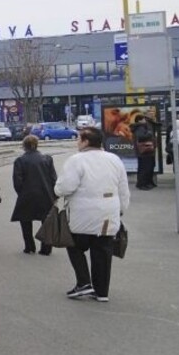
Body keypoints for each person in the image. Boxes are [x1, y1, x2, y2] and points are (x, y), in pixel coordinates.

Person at [54, 127, 131, 302]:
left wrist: (57, 190)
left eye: (79, 139)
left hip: (83, 214)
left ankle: (84, 283)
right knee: (102, 251)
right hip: (108, 214)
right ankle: (102, 292)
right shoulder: (114, 159)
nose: (77, 142)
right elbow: (123, 189)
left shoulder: (76, 160)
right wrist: (121, 210)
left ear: (86, 141)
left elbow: (65, 187)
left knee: (74, 245)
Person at [10, 134, 58, 255]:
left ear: (24, 146)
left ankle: (29, 246)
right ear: (37, 145)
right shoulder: (47, 159)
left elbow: (17, 182)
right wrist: (54, 195)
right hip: (45, 195)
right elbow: (53, 178)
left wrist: (21, 193)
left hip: (27, 195)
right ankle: (46, 248)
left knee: (25, 220)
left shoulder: (20, 161)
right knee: (46, 222)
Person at [132, 115, 157, 190]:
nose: (145, 121)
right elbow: (141, 136)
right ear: (139, 120)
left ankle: (148, 182)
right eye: (144, 119)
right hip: (144, 151)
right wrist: (149, 133)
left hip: (147, 151)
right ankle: (142, 183)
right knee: (144, 168)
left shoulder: (144, 127)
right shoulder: (140, 127)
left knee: (148, 167)